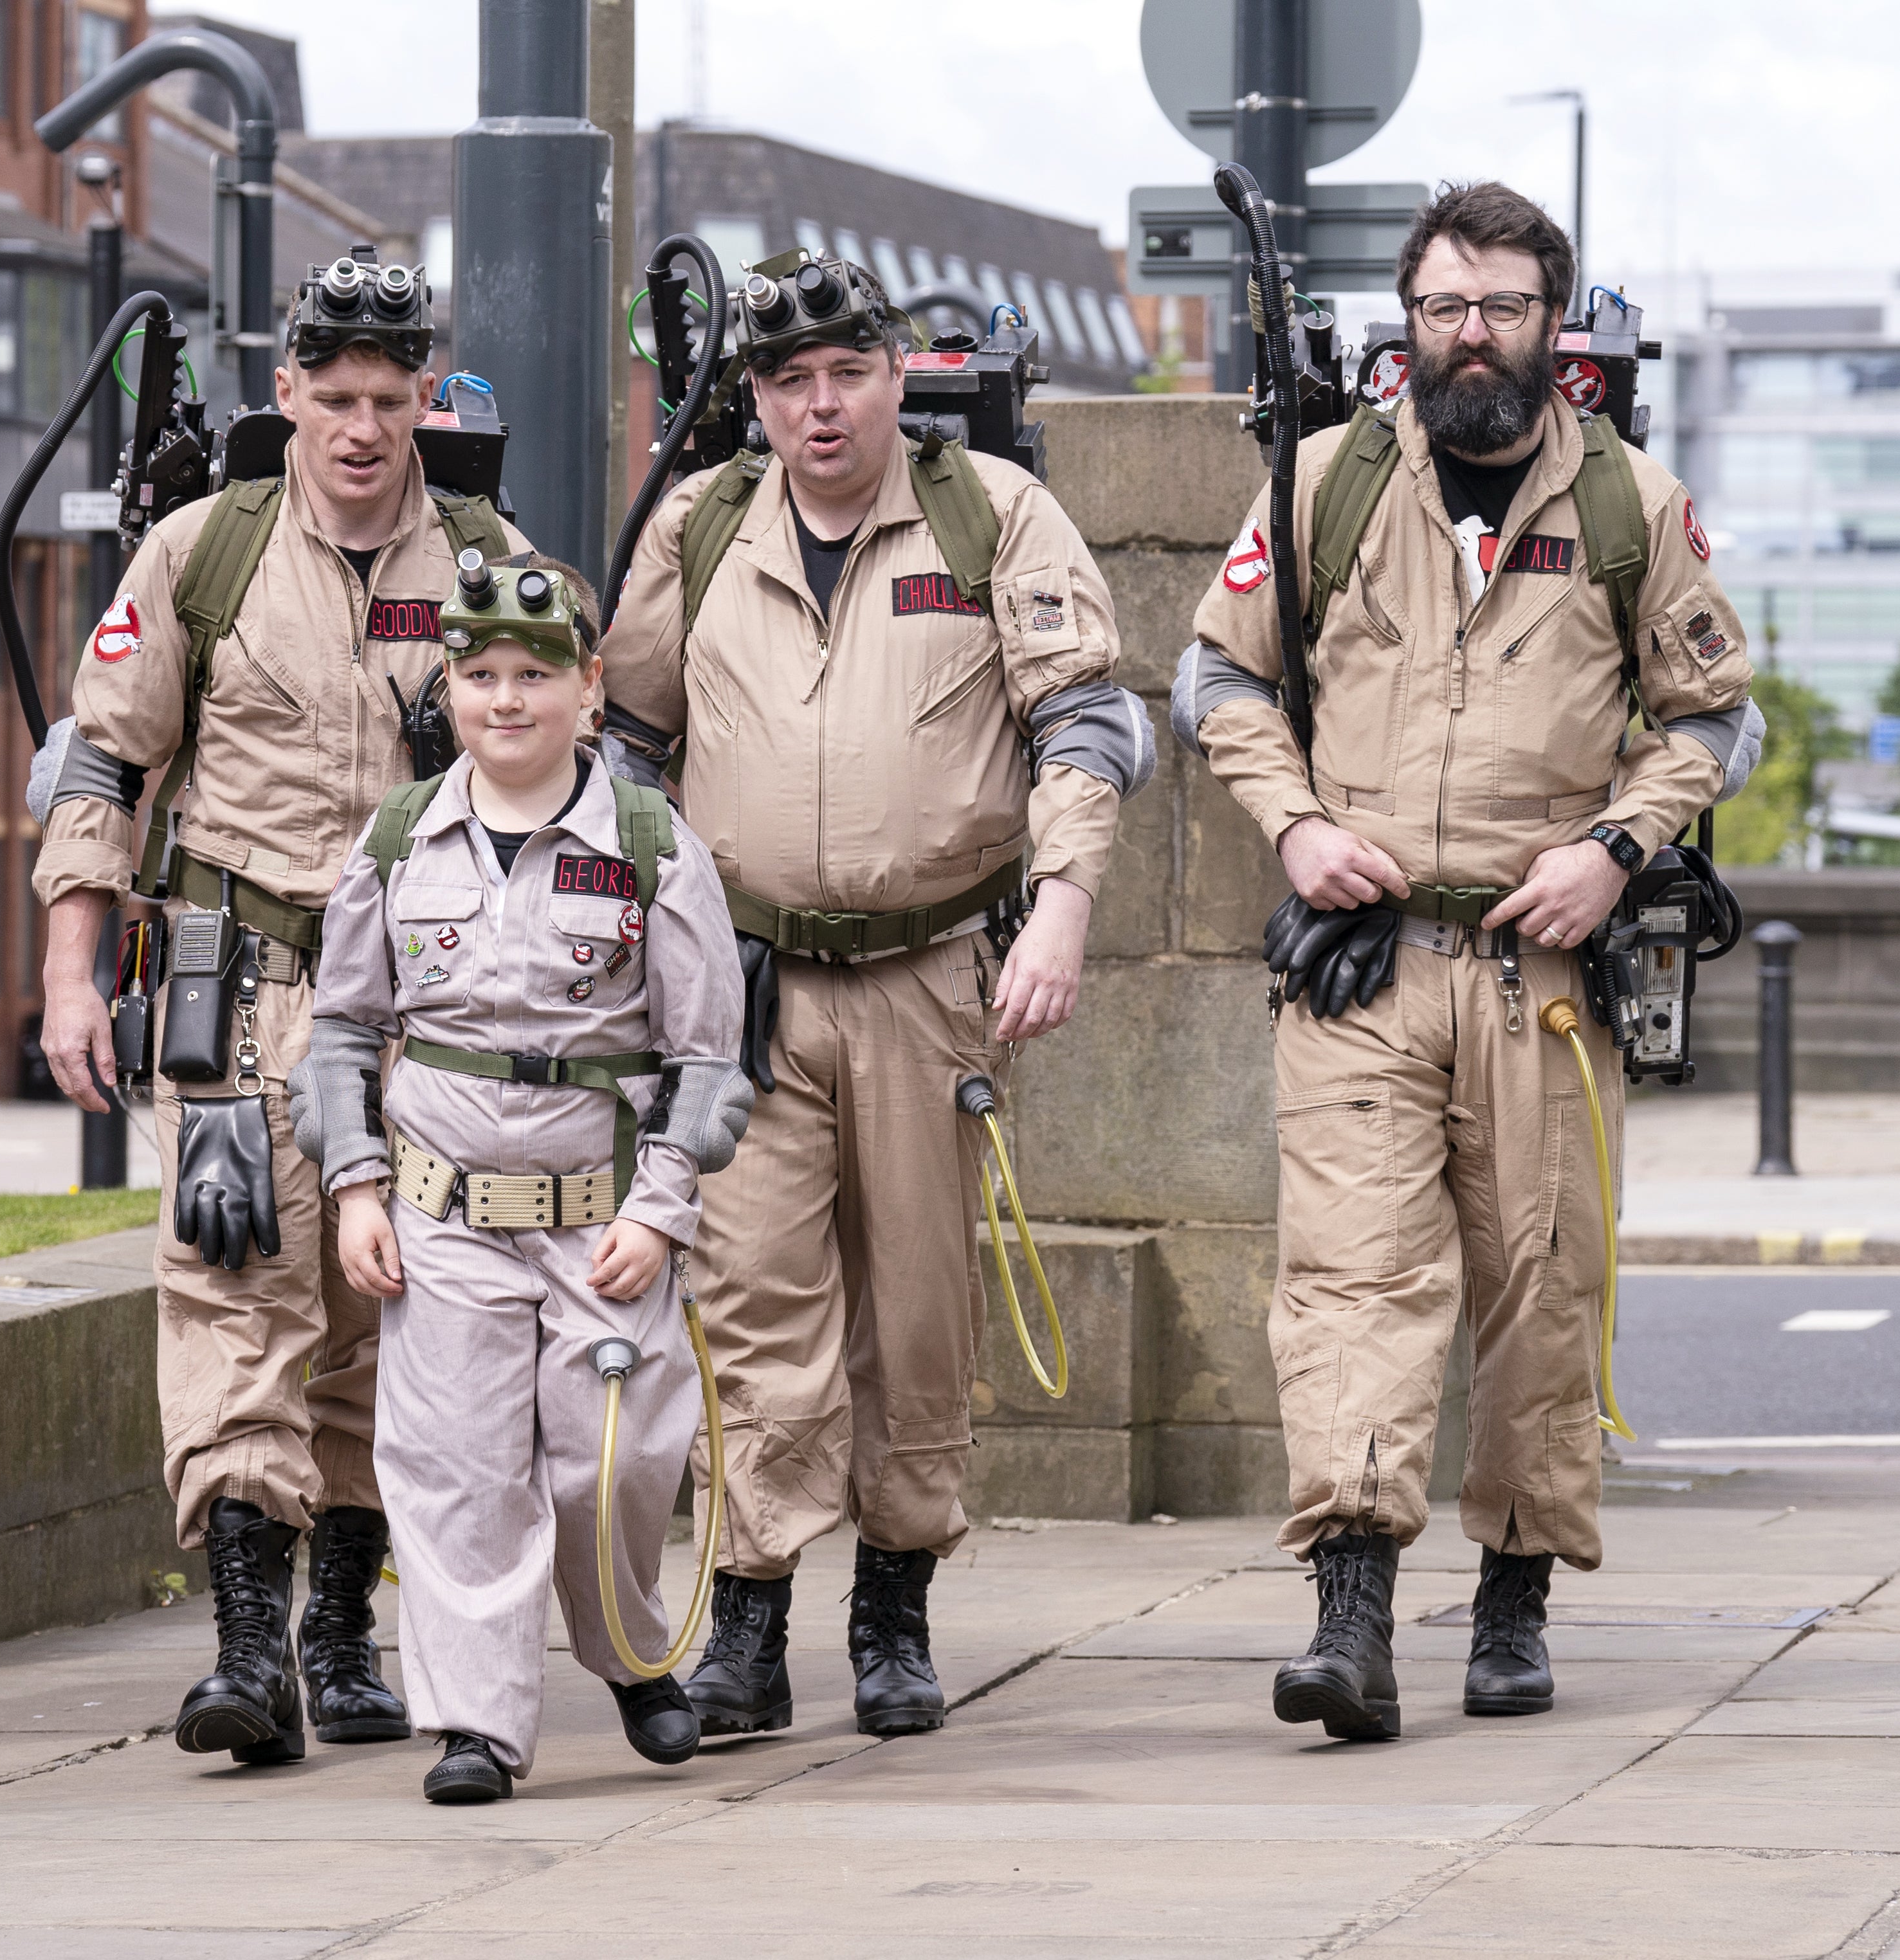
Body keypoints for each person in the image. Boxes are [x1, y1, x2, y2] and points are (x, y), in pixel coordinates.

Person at [1171, 182, 1763, 1739]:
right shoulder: (1320, 486)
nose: (1472, 336)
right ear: (1407, 323)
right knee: (1350, 1283)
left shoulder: (1631, 501)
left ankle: (1512, 1600)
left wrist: (1613, 851)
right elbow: (1210, 680)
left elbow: (1712, 716)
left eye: (1502, 307)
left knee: (1538, 1292)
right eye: (1444, 307)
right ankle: (1349, 1612)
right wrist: (1294, 828)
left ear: (1551, 327)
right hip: (1359, 961)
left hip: (1540, 972)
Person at [596, 252, 1155, 1739]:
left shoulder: (988, 513)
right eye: (788, 383)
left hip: (929, 978)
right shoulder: (701, 526)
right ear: (756, 402)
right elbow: (626, 742)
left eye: (847, 373)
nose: (820, 405)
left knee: (916, 1308)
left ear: (897, 379)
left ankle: (895, 1605)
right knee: (752, 1298)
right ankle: (751, 1616)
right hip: (747, 988)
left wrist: (1060, 908)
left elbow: (1086, 718)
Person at [29, 251, 530, 1764]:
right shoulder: (200, 554)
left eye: (391, 402)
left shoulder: (493, 563)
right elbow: (102, 769)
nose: (364, 430)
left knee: (398, 1318)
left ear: (425, 403)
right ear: (287, 394)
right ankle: (248, 1648)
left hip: (422, 1005)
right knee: (230, 1289)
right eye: (337, 400)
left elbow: (561, 779)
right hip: (236, 993)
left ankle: (341, 1629)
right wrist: (66, 970)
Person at [289, 551, 747, 1802]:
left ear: (587, 691)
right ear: (447, 689)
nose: (505, 700)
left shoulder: (651, 847)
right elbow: (337, 1031)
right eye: (480, 675)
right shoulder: (399, 841)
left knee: (609, 1466)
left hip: (600, 1220)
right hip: (443, 1220)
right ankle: (478, 1725)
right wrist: (356, 1186)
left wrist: (659, 1213)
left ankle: (626, 1650)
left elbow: (708, 1060)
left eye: (534, 676)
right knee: (457, 1474)